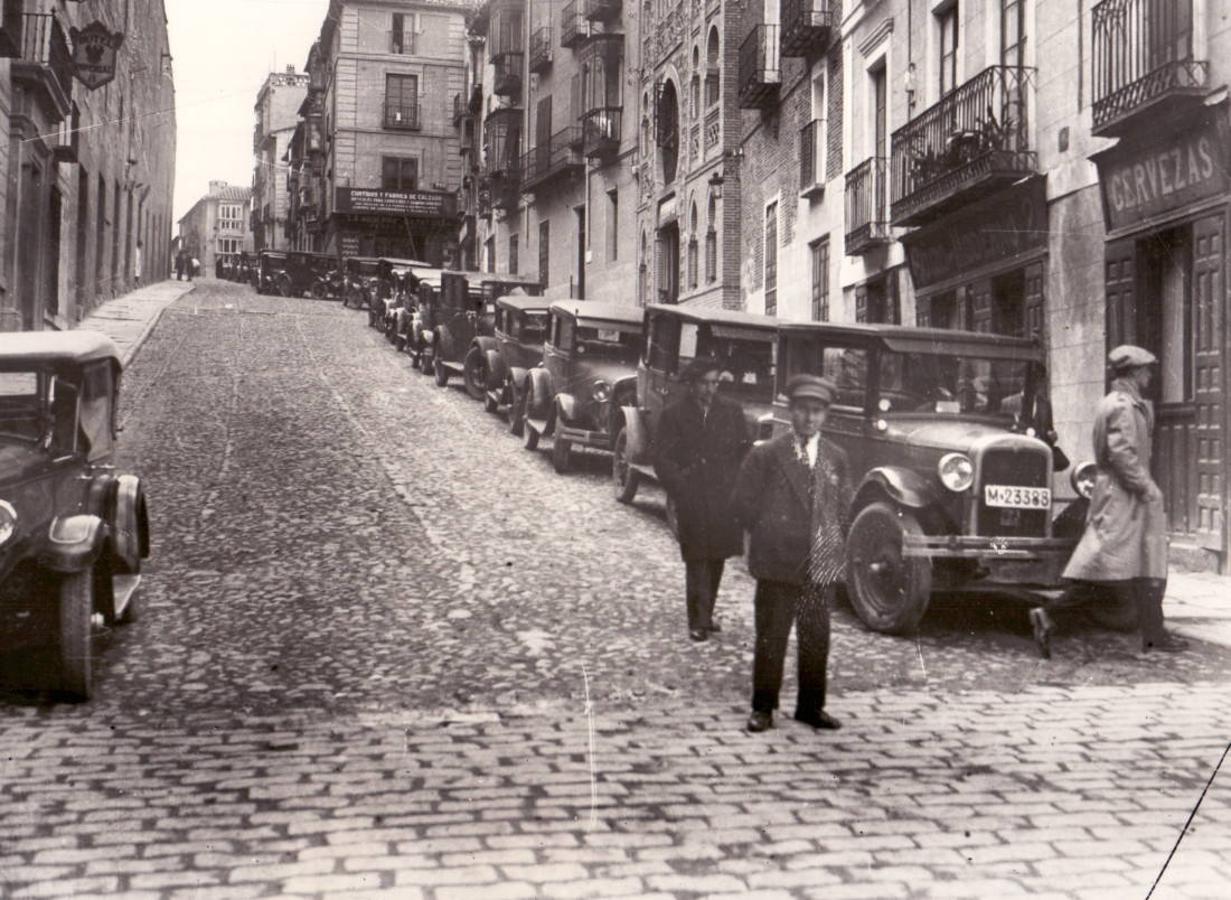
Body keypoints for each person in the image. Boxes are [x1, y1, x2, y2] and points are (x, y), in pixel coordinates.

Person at [1030, 345, 1188, 657]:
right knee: (1103, 571)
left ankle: (1155, 633)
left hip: (1127, 496)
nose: (1149, 375)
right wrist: (1146, 488)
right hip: (1122, 497)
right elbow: (1122, 455)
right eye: (1145, 370)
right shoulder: (1122, 407)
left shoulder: (1127, 404)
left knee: (1145, 566)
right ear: (1133, 373)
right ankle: (1049, 615)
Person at [732, 375, 853, 733]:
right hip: (778, 563)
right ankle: (763, 707)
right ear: (791, 411)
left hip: (819, 564)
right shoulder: (767, 453)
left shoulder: (836, 457)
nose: (809, 419)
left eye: (817, 412)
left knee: (816, 640)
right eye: (803, 411)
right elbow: (742, 503)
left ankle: (810, 707)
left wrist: (832, 541)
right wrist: (770, 531)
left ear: (826, 416)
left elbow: (844, 506)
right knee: (772, 637)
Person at [653, 357, 751, 642]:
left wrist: (738, 484)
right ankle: (697, 620)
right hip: (693, 496)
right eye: (705, 383)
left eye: (715, 383)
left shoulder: (731, 411)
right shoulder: (674, 414)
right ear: (692, 384)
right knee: (696, 557)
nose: (710, 389)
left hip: (723, 496)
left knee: (717, 555)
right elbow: (662, 458)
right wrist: (680, 486)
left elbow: (744, 451)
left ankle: (707, 613)